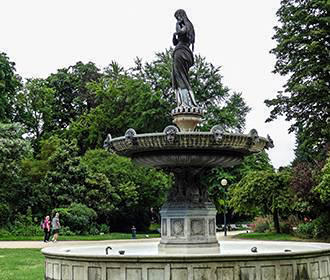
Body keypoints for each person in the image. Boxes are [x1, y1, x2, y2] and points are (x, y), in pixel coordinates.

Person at [172, 9, 198, 108]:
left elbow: (181, 33)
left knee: (180, 78)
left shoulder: (186, 25)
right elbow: (175, 42)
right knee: (182, 77)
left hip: (181, 52)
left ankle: (186, 103)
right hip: (184, 52)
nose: (177, 19)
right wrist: (174, 36)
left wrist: (177, 25)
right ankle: (186, 101)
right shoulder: (187, 25)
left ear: (181, 15)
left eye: (178, 17)